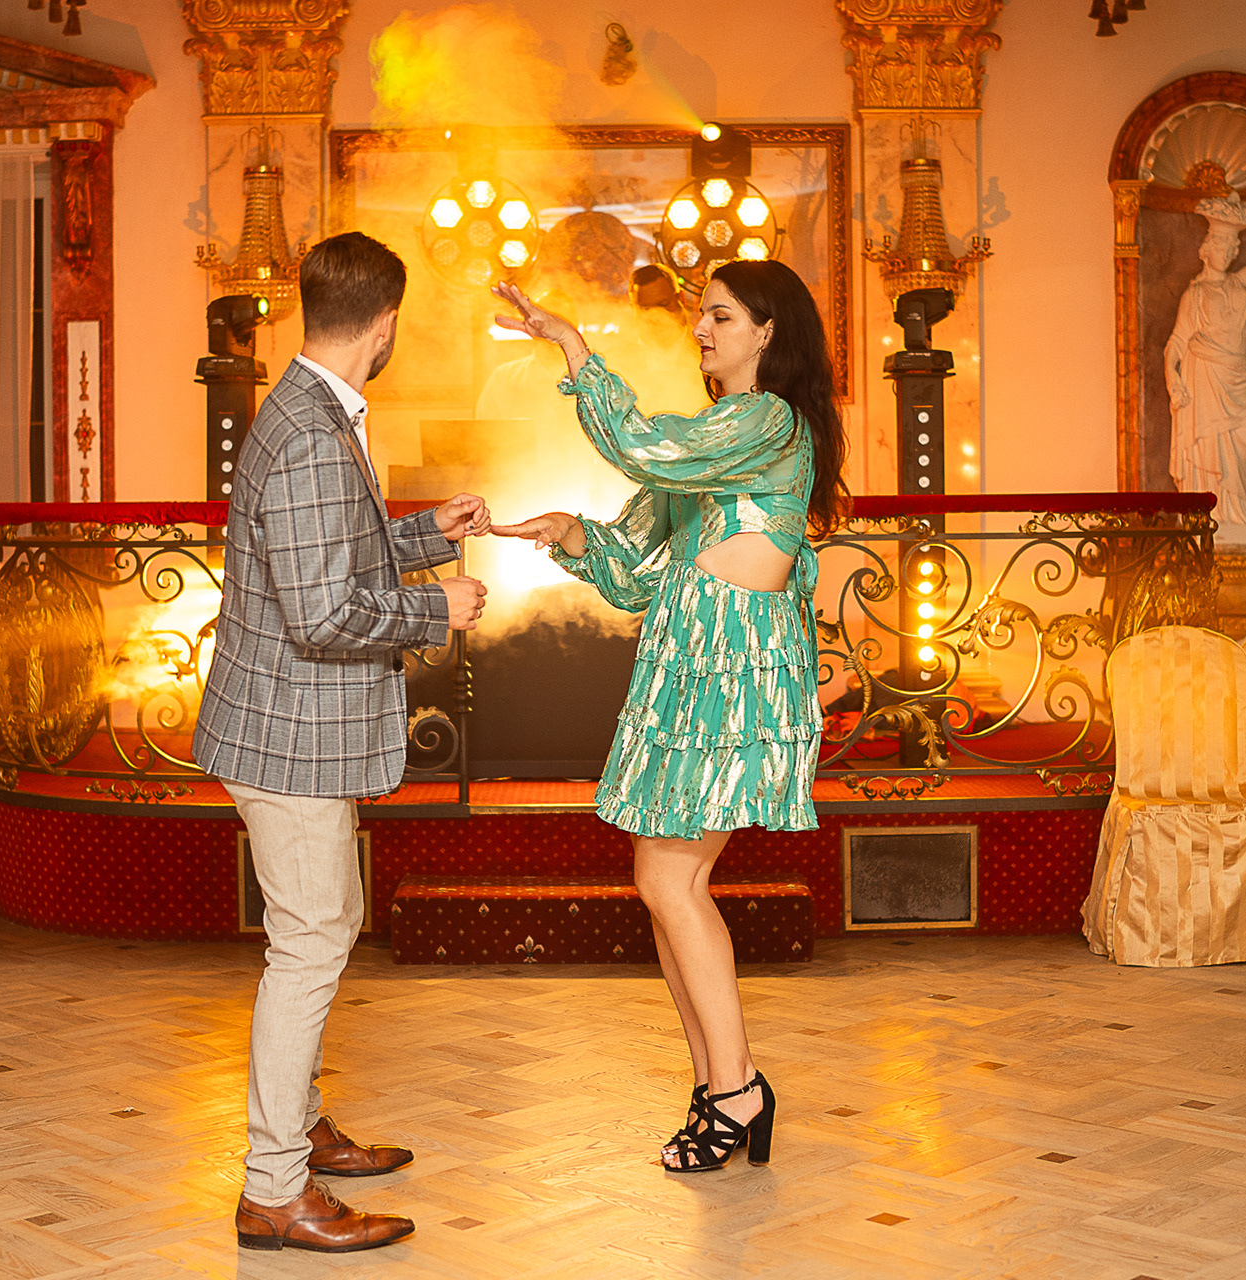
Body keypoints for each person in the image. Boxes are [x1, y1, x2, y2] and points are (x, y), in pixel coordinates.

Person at [490, 259, 847, 1172]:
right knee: (664, 884)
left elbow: (646, 447)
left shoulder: (768, 421)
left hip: (732, 668)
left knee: (672, 881)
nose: (702, 329)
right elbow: (636, 573)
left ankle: (737, 1088)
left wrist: (574, 346)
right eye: (703, 316)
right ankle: (718, 1084)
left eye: (721, 316)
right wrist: (573, 533)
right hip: (686, 663)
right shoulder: (721, 436)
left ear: (768, 331)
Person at [194, 232, 491, 1252]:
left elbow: (326, 551)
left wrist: (425, 534)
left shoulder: (308, 407)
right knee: (312, 941)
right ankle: (275, 1186)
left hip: (285, 727)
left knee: (326, 923)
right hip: (289, 736)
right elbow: (322, 612)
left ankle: (301, 1124)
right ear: (386, 323)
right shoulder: (317, 433)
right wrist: (436, 606)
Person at [1164, 194, 1246, 533]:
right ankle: (1209, 516)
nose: (1225, 254)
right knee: (1209, 447)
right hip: (1204, 378)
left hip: (1239, 380)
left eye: (1230, 249)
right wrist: (1171, 376)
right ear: (1206, 250)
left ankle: (1241, 511)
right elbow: (1176, 342)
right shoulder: (1194, 295)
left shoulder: (1242, 282)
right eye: (1219, 247)